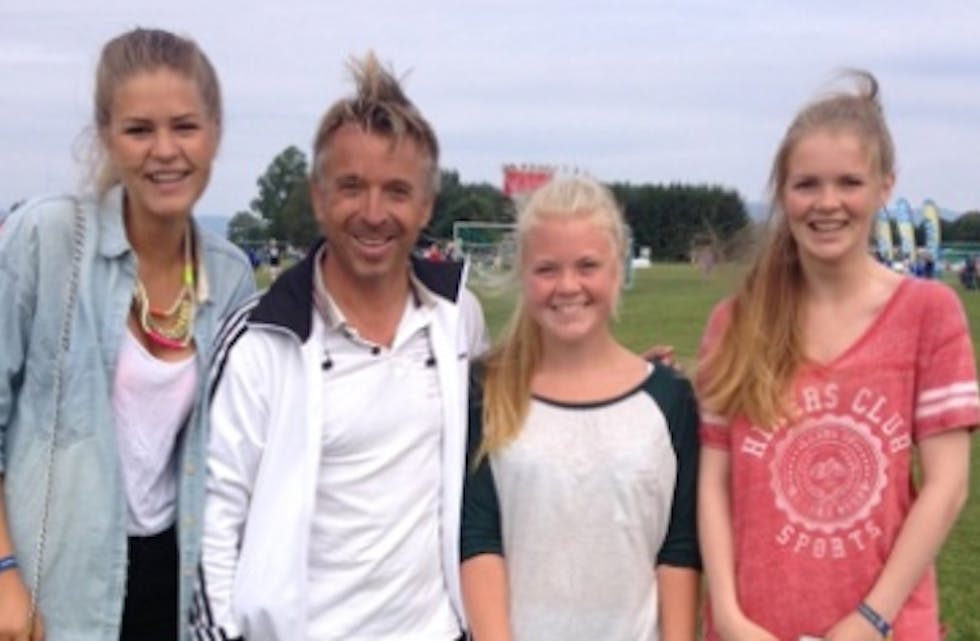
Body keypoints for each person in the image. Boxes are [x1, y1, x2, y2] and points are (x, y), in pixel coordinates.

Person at [192, 52, 489, 640]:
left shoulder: (460, 321)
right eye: (351, 187)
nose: (373, 213)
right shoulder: (260, 339)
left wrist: (649, 380)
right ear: (319, 195)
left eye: (397, 191)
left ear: (426, 205)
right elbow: (210, 526)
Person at [696, 71, 978, 641]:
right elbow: (714, 485)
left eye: (849, 182)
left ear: (884, 186)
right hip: (754, 627)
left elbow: (947, 488)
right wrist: (727, 615)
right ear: (783, 192)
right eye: (807, 185)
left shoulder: (929, 313)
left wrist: (871, 620)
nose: (828, 203)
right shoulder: (736, 323)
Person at [0, 28, 255, 641]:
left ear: (215, 133)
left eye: (185, 127)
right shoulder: (45, 238)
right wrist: (4, 572)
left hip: (174, 587)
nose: (164, 151)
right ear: (108, 136)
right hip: (49, 590)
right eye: (139, 130)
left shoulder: (232, 274)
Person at [460, 176, 701, 641]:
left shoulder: (670, 400)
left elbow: (678, 550)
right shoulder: (486, 390)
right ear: (523, 275)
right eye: (547, 269)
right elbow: (479, 540)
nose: (567, 286)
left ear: (617, 271)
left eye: (587, 265)